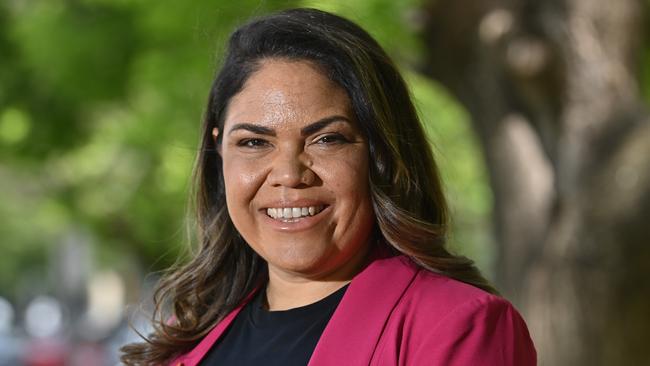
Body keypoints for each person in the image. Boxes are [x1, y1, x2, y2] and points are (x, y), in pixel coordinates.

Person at [121, 8, 536, 366]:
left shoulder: (456, 326)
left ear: (381, 154)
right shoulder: (185, 335)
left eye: (327, 139)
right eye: (253, 142)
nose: (288, 173)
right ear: (219, 152)